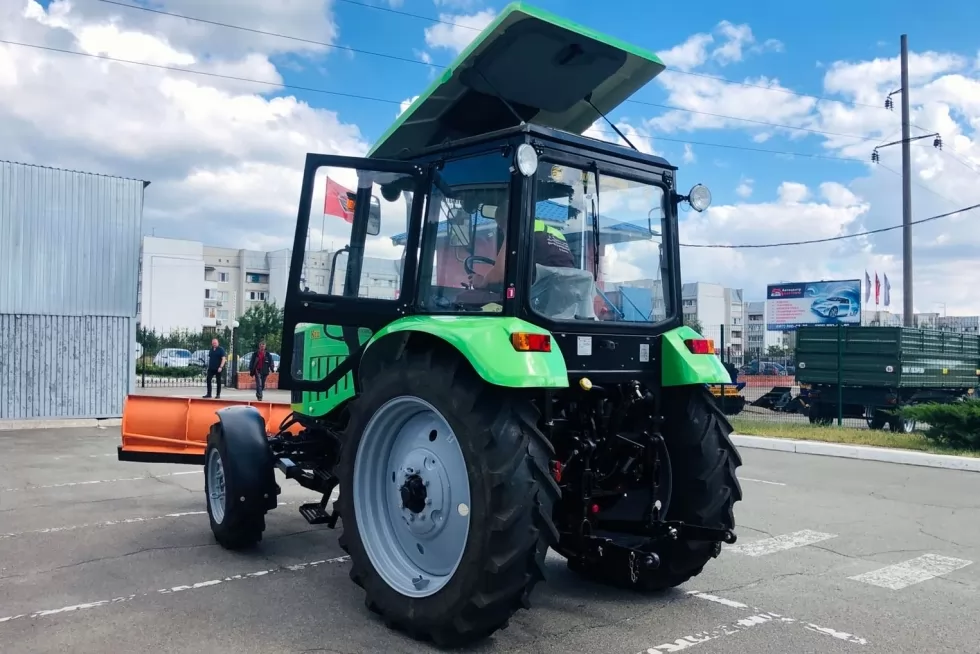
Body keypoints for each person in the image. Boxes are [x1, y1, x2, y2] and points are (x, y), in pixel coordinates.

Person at [469, 205, 575, 290]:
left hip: (537, 298)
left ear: (506, 222)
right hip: (562, 295)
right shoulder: (555, 233)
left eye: (501, 227)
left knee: (466, 298)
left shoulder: (518, 230)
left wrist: (481, 282)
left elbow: (499, 275)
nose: (502, 231)